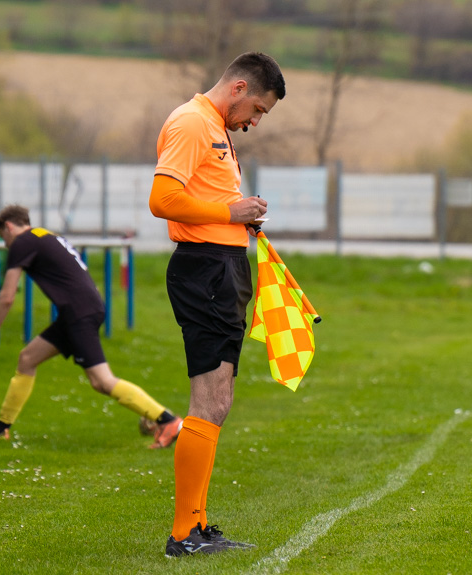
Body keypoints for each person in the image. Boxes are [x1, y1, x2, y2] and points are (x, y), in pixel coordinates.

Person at [149, 52, 286, 556]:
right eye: (257, 110)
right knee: (206, 401)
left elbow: (204, 202)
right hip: (202, 271)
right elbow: (162, 200)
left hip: (224, 269)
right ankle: (183, 534)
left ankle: (199, 525)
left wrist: (238, 220)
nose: (254, 121)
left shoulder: (217, 128)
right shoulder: (190, 122)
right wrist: (229, 211)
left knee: (220, 403)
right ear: (239, 88)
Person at [0, 204, 182, 449]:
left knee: (102, 381)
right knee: (27, 358)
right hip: (81, 308)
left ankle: (168, 420)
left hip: (79, 312)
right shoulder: (44, 235)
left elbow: (7, 297)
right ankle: (1, 430)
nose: (6, 245)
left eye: (3, 238)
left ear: (8, 226)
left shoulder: (21, 242)